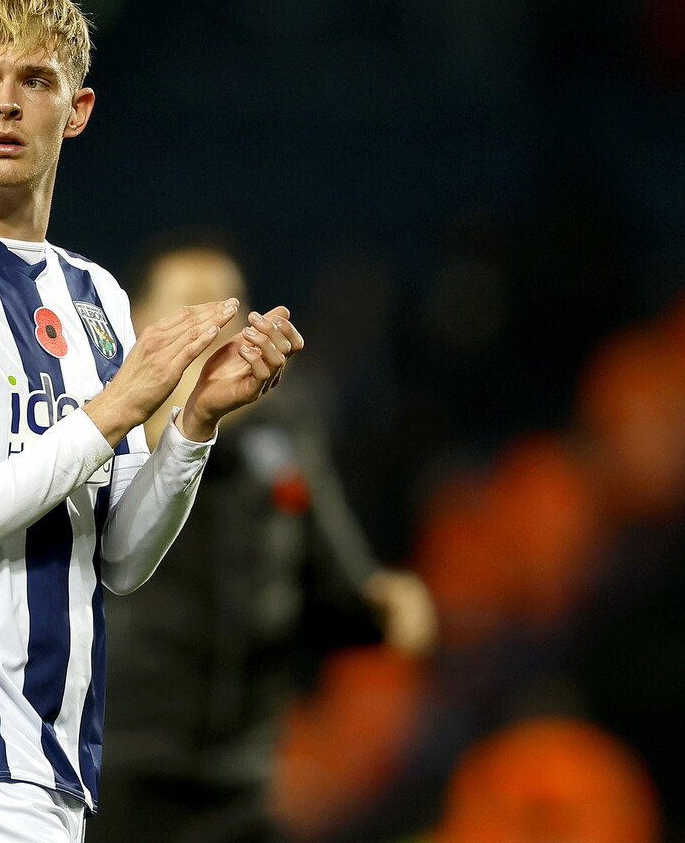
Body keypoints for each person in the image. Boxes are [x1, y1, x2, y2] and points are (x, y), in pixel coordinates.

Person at [0, 0, 304, 843]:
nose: (4, 104)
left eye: (33, 81)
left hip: (53, 759)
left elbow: (119, 556)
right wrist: (116, 407)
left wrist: (194, 423)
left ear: (76, 109)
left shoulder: (95, 298)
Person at [87, 235, 437, 843]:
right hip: (113, 775)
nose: (213, 330)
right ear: (137, 326)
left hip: (240, 782)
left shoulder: (282, 439)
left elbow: (330, 583)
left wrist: (379, 605)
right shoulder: (92, 438)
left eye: (227, 308)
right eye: (189, 309)